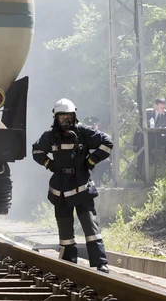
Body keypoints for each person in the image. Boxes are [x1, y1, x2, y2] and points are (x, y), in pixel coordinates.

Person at [32, 99, 113, 273]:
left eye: (68, 118)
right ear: (56, 118)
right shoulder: (50, 136)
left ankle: (100, 262)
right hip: (60, 188)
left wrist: (90, 161)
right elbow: (36, 150)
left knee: (90, 226)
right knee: (65, 229)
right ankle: (69, 265)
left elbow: (107, 143)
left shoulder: (84, 132)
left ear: (74, 116)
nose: (65, 122)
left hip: (81, 186)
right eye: (61, 118)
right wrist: (48, 163)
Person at [83, 116, 113, 185]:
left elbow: (109, 152)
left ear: (97, 125)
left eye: (93, 125)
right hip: (87, 165)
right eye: (89, 126)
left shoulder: (103, 137)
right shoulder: (82, 138)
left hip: (102, 164)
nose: (92, 127)